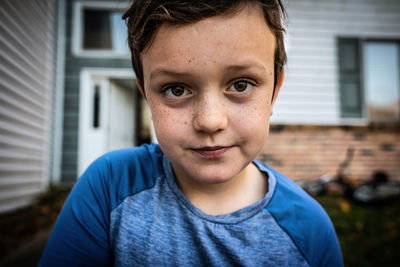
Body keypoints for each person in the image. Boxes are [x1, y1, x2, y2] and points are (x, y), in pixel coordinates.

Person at [39, 0, 343, 266]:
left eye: (240, 85)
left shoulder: (309, 230)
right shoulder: (110, 186)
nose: (210, 121)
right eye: (176, 89)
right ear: (146, 93)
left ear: (274, 92)